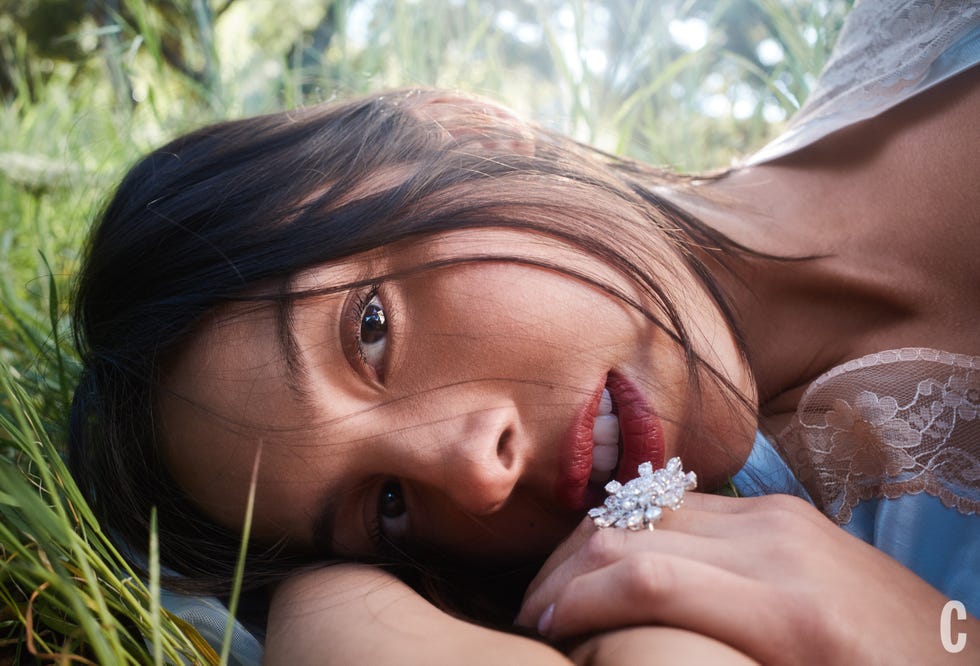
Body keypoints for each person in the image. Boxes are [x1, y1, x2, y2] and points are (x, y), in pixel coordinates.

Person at [69, 1, 979, 663]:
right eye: (388, 505)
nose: (478, 473)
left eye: (371, 329)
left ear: (467, 133)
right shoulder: (709, 586)